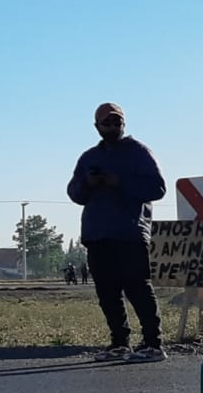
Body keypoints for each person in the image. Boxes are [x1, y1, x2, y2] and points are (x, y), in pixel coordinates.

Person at [66, 102, 168, 362]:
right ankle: (119, 343)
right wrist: (89, 184)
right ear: (96, 127)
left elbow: (157, 188)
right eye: (106, 123)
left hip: (130, 234)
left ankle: (153, 344)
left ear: (124, 124)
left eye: (117, 123)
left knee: (138, 289)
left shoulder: (138, 152)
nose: (112, 127)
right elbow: (74, 194)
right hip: (97, 235)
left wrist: (118, 182)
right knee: (108, 293)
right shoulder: (89, 158)